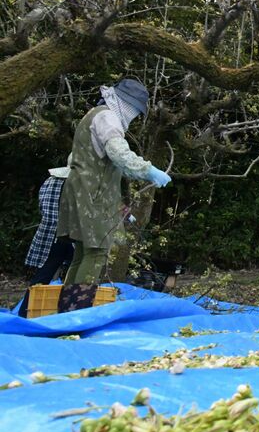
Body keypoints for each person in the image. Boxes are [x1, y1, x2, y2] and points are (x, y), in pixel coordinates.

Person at [57, 79, 172, 298]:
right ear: (125, 104)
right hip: (92, 194)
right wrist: (149, 170)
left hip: (81, 191)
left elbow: (85, 160)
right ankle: (77, 307)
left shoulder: (93, 115)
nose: (134, 116)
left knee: (82, 253)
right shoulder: (108, 118)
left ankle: (65, 309)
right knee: (97, 251)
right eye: (134, 111)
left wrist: (119, 207)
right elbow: (120, 155)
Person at [18, 156, 75, 317]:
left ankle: (25, 313)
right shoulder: (78, 184)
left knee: (41, 276)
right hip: (71, 235)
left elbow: (42, 206)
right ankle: (68, 314)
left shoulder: (50, 181)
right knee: (76, 276)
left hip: (49, 233)